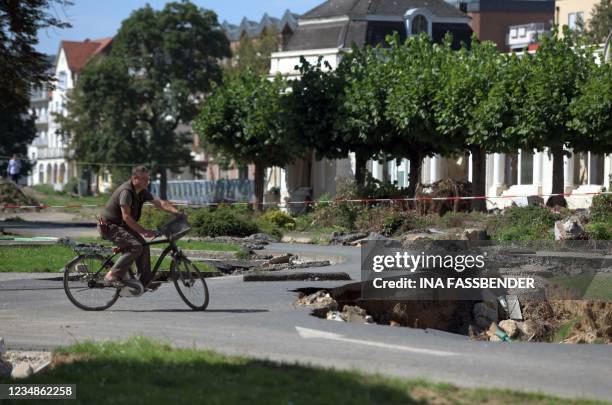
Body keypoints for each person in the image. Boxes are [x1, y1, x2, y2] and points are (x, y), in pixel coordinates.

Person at [98, 166, 180, 288]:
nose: (148, 182)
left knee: (144, 246)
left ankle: (143, 282)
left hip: (122, 226)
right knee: (136, 246)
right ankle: (112, 275)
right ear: (135, 178)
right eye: (144, 179)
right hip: (110, 226)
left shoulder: (142, 192)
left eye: (148, 179)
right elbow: (126, 217)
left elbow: (160, 203)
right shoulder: (126, 192)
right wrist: (144, 231)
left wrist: (177, 212)